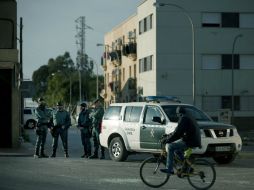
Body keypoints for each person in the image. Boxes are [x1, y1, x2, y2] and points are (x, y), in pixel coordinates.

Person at [160, 106, 201, 174]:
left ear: (179, 113)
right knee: (176, 150)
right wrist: (167, 136)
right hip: (192, 140)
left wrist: (167, 140)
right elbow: (177, 131)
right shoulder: (187, 118)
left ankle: (169, 169)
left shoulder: (183, 119)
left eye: (177, 114)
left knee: (170, 147)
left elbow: (177, 133)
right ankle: (187, 167)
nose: (177, 116)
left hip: (190, 141)